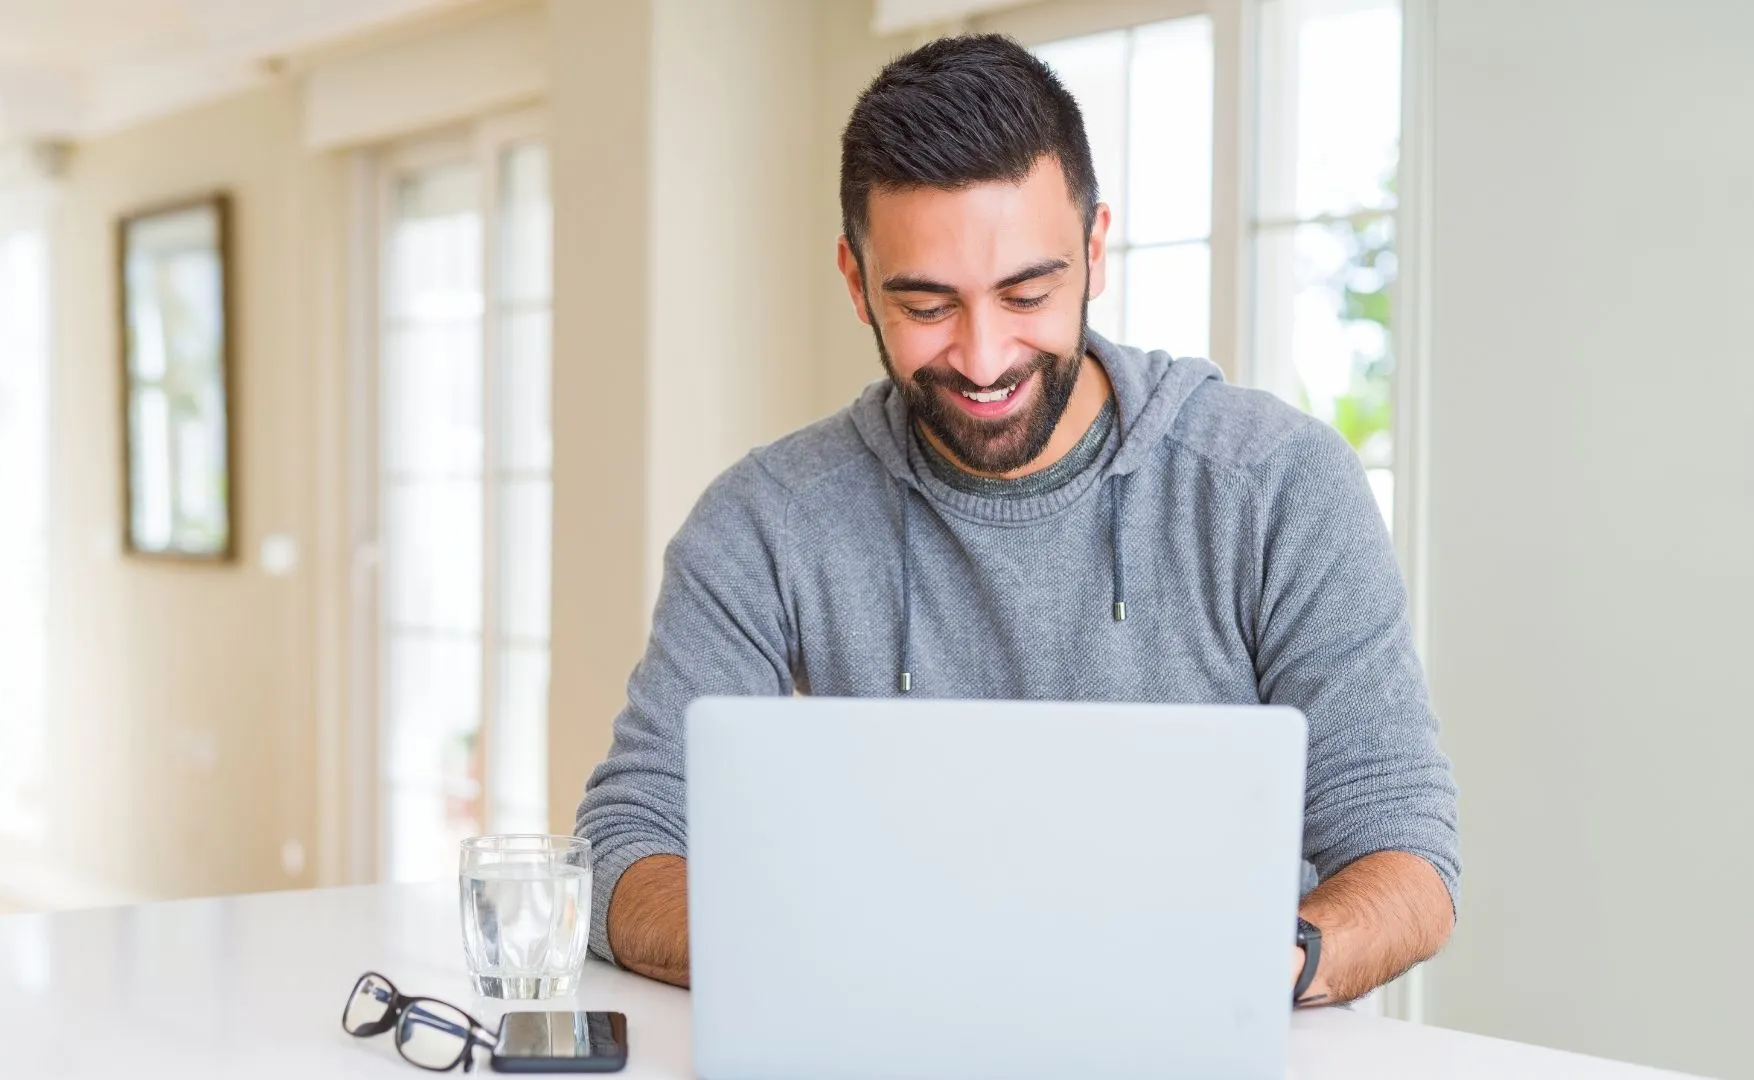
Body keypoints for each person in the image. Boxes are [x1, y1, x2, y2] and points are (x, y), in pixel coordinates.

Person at [576, 33, 1458, 1006]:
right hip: (885, 1033)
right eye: (926, 306)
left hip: (1202, 1039)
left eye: (1027, 294)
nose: (985, 356)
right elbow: (630, 839)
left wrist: (1257, 967)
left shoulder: (1273, 486)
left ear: (1094, 251)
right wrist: (834, 952)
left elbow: (1405, 855)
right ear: (855, 278)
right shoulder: (769, 520)